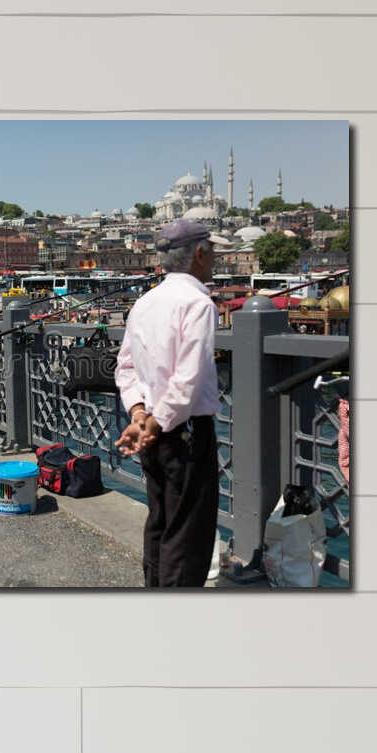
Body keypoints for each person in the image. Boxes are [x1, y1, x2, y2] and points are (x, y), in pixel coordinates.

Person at [115, 217, 222, 588]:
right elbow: (188, 378)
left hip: (151, 428)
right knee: (187, 532)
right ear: (199, 254)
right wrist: (155, 422)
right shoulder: (198, 303)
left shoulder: (144, 303)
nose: (215, 257)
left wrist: (139, 414)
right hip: (184, 430)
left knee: (160, 521)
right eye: (212, 250)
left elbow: (125, 368)